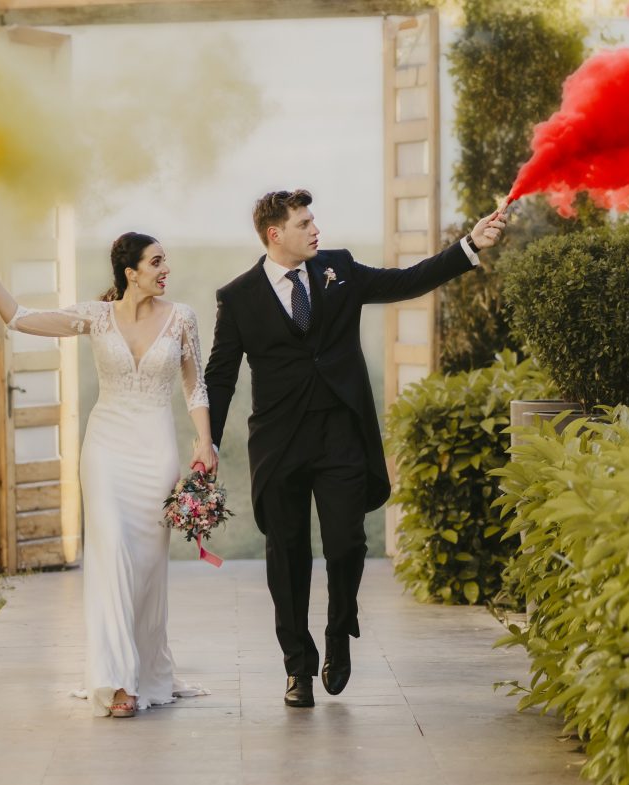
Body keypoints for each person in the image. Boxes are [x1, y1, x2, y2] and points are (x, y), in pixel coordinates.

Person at [204, 190, 505, 708]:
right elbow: (221, 376)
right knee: (288, 556)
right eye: (304, 223)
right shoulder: (237, 298)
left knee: (346, 544)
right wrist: (205, 440)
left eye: (314, 219)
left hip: (342, 434)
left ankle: (339, 632)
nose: (315, 230)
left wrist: (468, 246)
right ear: (275, 235)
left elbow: (405, 282)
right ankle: (297, 666)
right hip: (279, 446)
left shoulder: (338, 270)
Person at [0, 228, 216, 718]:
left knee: (146, 568)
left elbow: (195, 386)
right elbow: (19, 317)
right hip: (106, 451)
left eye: (166, 262)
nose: (166, 270)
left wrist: (204, 441)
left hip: (155, 452)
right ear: (130, 272)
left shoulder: (183, 319)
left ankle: (142, 669)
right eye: (156, 262)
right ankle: (115, 681)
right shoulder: (95, 317)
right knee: (110, 550)